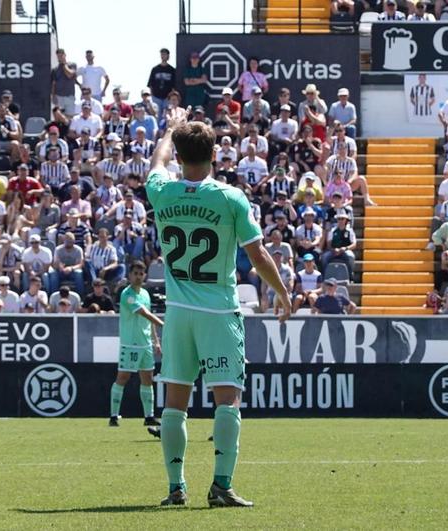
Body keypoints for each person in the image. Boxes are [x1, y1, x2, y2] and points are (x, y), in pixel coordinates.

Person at [146, 116, 291, 507]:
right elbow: (257, 254)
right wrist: (281, 291)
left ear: (179, 155)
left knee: (174, 404)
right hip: (219, 312)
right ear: (215, 154)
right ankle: (221, 486)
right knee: (227, 401)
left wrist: (166, 133)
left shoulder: (161, 192)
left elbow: (156, 165)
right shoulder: (229, 198)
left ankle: (176, 488)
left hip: (177, 312)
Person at [109, 261, 164, 430]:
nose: (139, 277)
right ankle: (113, 415)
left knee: (147, 379)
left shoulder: (146, 294)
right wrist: (165, 325)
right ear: (130, 275)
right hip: (130, 344)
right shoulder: (127, 294)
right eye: (136, 273)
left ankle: (149, 416)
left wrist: (156, 341)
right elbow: (144, 313)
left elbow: (149, 319)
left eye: (141, 274)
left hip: (145, 344)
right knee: (123, 377)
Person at [147, 48, 176, 122]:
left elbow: (174, 85)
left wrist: (170, 97)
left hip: (167, 98)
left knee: (167, 117)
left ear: (168, 56)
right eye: (162, 54)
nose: (163, 56)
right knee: (157, 117)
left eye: (165, 54)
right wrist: (152, 96)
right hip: (156, 97)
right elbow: (150, 84)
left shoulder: (172, 70)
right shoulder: (155, 69)